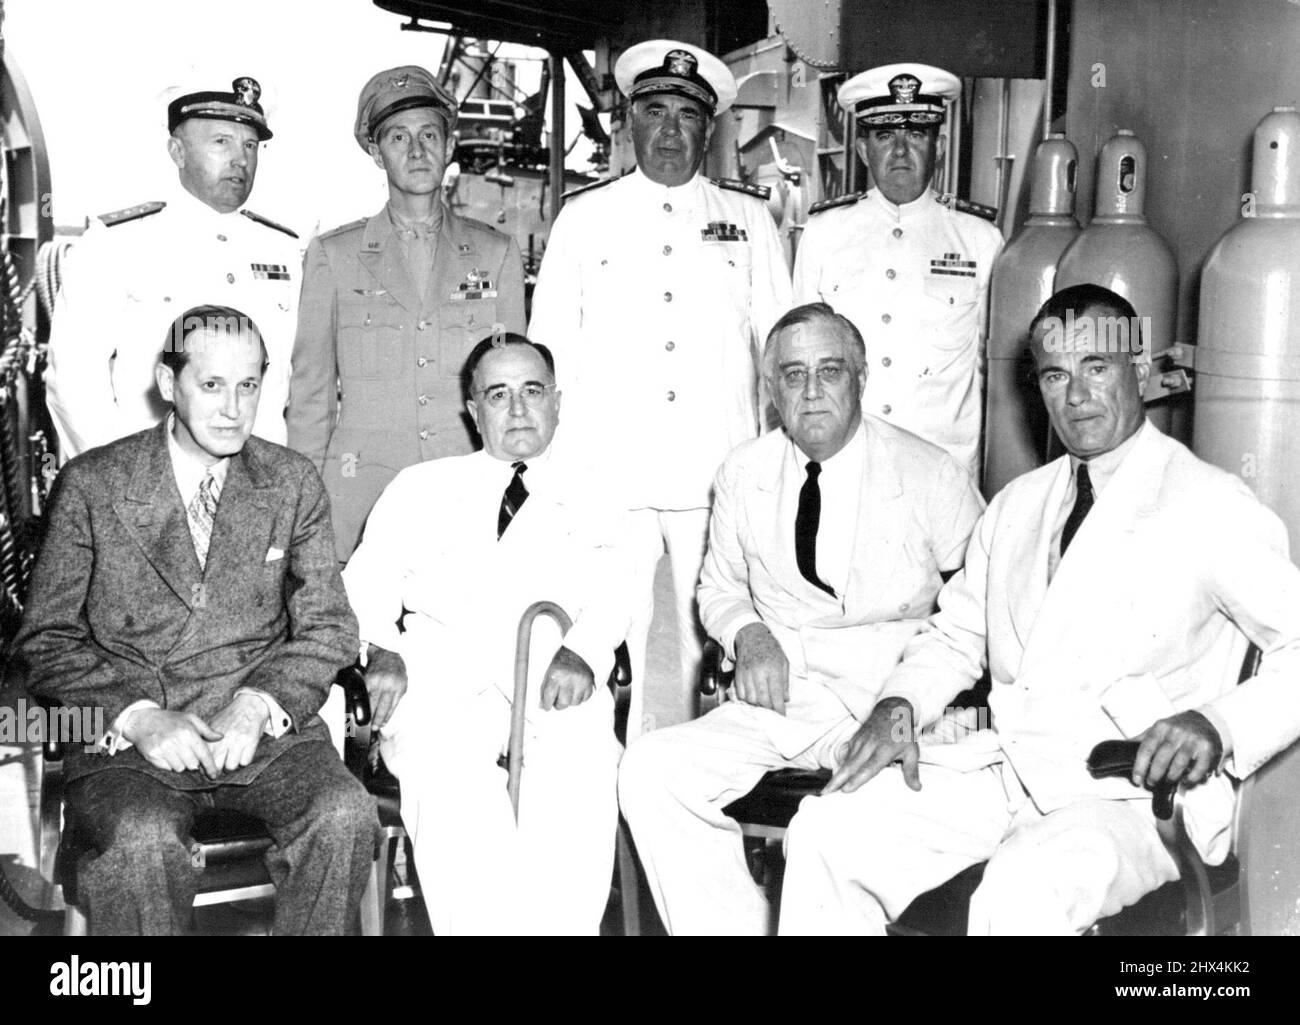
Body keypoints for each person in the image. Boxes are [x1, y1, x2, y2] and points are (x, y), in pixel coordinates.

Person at [778, 284, 1300, 935]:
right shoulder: (1017, 505)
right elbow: (955, 636)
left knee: (1023, 889)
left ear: (1139, 372)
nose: (1075, 395)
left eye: (1096, 368)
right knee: (829, 827)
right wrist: (900, 706)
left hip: (1130, 797)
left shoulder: (1207, 501)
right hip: (1012, 773)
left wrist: (1218, 723)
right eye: (1056, 374)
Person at [617, 302, 984, 934]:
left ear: (861, 378)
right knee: (650, 770)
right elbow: (718, 588)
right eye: (792, 375)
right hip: (784, 701)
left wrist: (919, 705)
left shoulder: (932, 474)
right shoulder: (744, 471)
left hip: (885, 701)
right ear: (770, 391)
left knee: (840, 830)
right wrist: (748, 634)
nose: (811, 392)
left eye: (830, 371)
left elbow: (979, 610)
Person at [16, 305, 377, 935]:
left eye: (249, 385)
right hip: (129, 746)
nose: (233, 408)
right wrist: (140, 716)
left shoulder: (291, 483)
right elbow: (46, 640)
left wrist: (260, 703)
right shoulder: (93, 485)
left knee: (344, 813)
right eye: (211, 385)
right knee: (139, 840)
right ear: (167, 383)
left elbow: (328, 626)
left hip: (262, 736)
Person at [529, 39, 792, 733]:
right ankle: (600, 825)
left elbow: (780, 358)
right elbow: (550, 357)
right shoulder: (585, 219)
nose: (671, 130)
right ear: (629, 122)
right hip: (610, 481)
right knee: (587, 662)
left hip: (716, 481)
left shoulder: (750, 222)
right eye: (654, 111)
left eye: (687, 115)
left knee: (706, 670)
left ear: (710, 128)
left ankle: (681, 815)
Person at [342, 334, 633, 934]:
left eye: (532, 391)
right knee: (451, 784)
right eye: (498, 395)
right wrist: (382, 649)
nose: (518, 409)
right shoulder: (421, 485)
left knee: (580, 771)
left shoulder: (598, 491)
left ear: (557, 401)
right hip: (444, 674)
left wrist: (585, 650)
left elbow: (619, 588)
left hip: (553, 668)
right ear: (473, 411)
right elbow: (363, 582)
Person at [288, 65, 526, 561]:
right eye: (398, 137)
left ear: (450, 145)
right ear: (377, 153)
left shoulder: (496, 254)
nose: (416, 151)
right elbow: (311, 396)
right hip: (360, 495)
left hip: (466, 491)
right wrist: (303, 507)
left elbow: (513, 389)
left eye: (428, 135)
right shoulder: (334, 255)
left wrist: (517, 487)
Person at [45, 77, 300, 460]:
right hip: (150, 483)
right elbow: (73, 379)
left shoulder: (285, 251)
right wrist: (118, 481)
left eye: (250, 145)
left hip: (257, 487)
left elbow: (294, 382)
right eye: (221, 142)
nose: (240, 159)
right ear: (177, 152)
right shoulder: (117, 242)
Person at [793, 62, 1003, 479]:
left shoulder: (980, 239)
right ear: (863, 150)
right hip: (847, 465)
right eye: (886, 136)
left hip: (944, 469)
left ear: (938, 147)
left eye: (917, 134)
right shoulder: (824, 232)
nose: (901, 151)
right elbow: (798, 357)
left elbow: (991, 369)